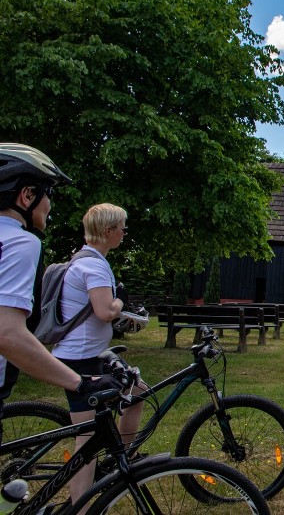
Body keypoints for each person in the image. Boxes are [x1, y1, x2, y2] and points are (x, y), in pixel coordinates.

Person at [0, 144, 122, 443]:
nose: (49, 206)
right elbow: (7, 333)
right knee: (88, 437)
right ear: (27, 195)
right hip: (79, 358)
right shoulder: (18, 242)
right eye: (48, 195)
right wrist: (79, 383)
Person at [51, 203, 145, 507]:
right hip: (79, 360)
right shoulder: (93, 265)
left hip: (88, 353)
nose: (124, 232)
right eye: (121, 227)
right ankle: (81, 506)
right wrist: (119, 301)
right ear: (108, 231)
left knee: (138, 393)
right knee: (87, 441)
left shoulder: (86, 259)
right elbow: (105, 311)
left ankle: (121, 461)